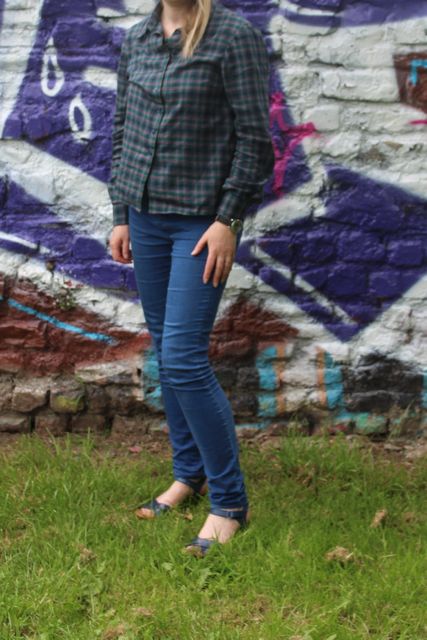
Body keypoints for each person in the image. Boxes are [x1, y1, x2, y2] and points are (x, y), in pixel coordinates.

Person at [108, 0, 275, 557]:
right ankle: (189, 474)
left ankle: (229, 503)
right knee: (167, 350)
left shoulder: (232, 36)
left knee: (183, 358)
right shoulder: (139, 38)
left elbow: (255, 138)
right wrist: (121, 212)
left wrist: (229, 219)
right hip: (145, 218)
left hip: (202, 224)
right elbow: (124, 128)